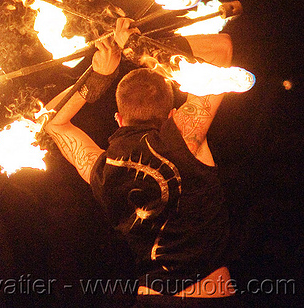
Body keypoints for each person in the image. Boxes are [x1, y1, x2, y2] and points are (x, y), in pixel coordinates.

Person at [45, 18, 243, 306]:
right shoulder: (185, 137)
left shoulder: (103, 170)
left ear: (119, 119)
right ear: (174, 113)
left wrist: (99, 74)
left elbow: (51, 121)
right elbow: (221, 48)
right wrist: (138, 48)